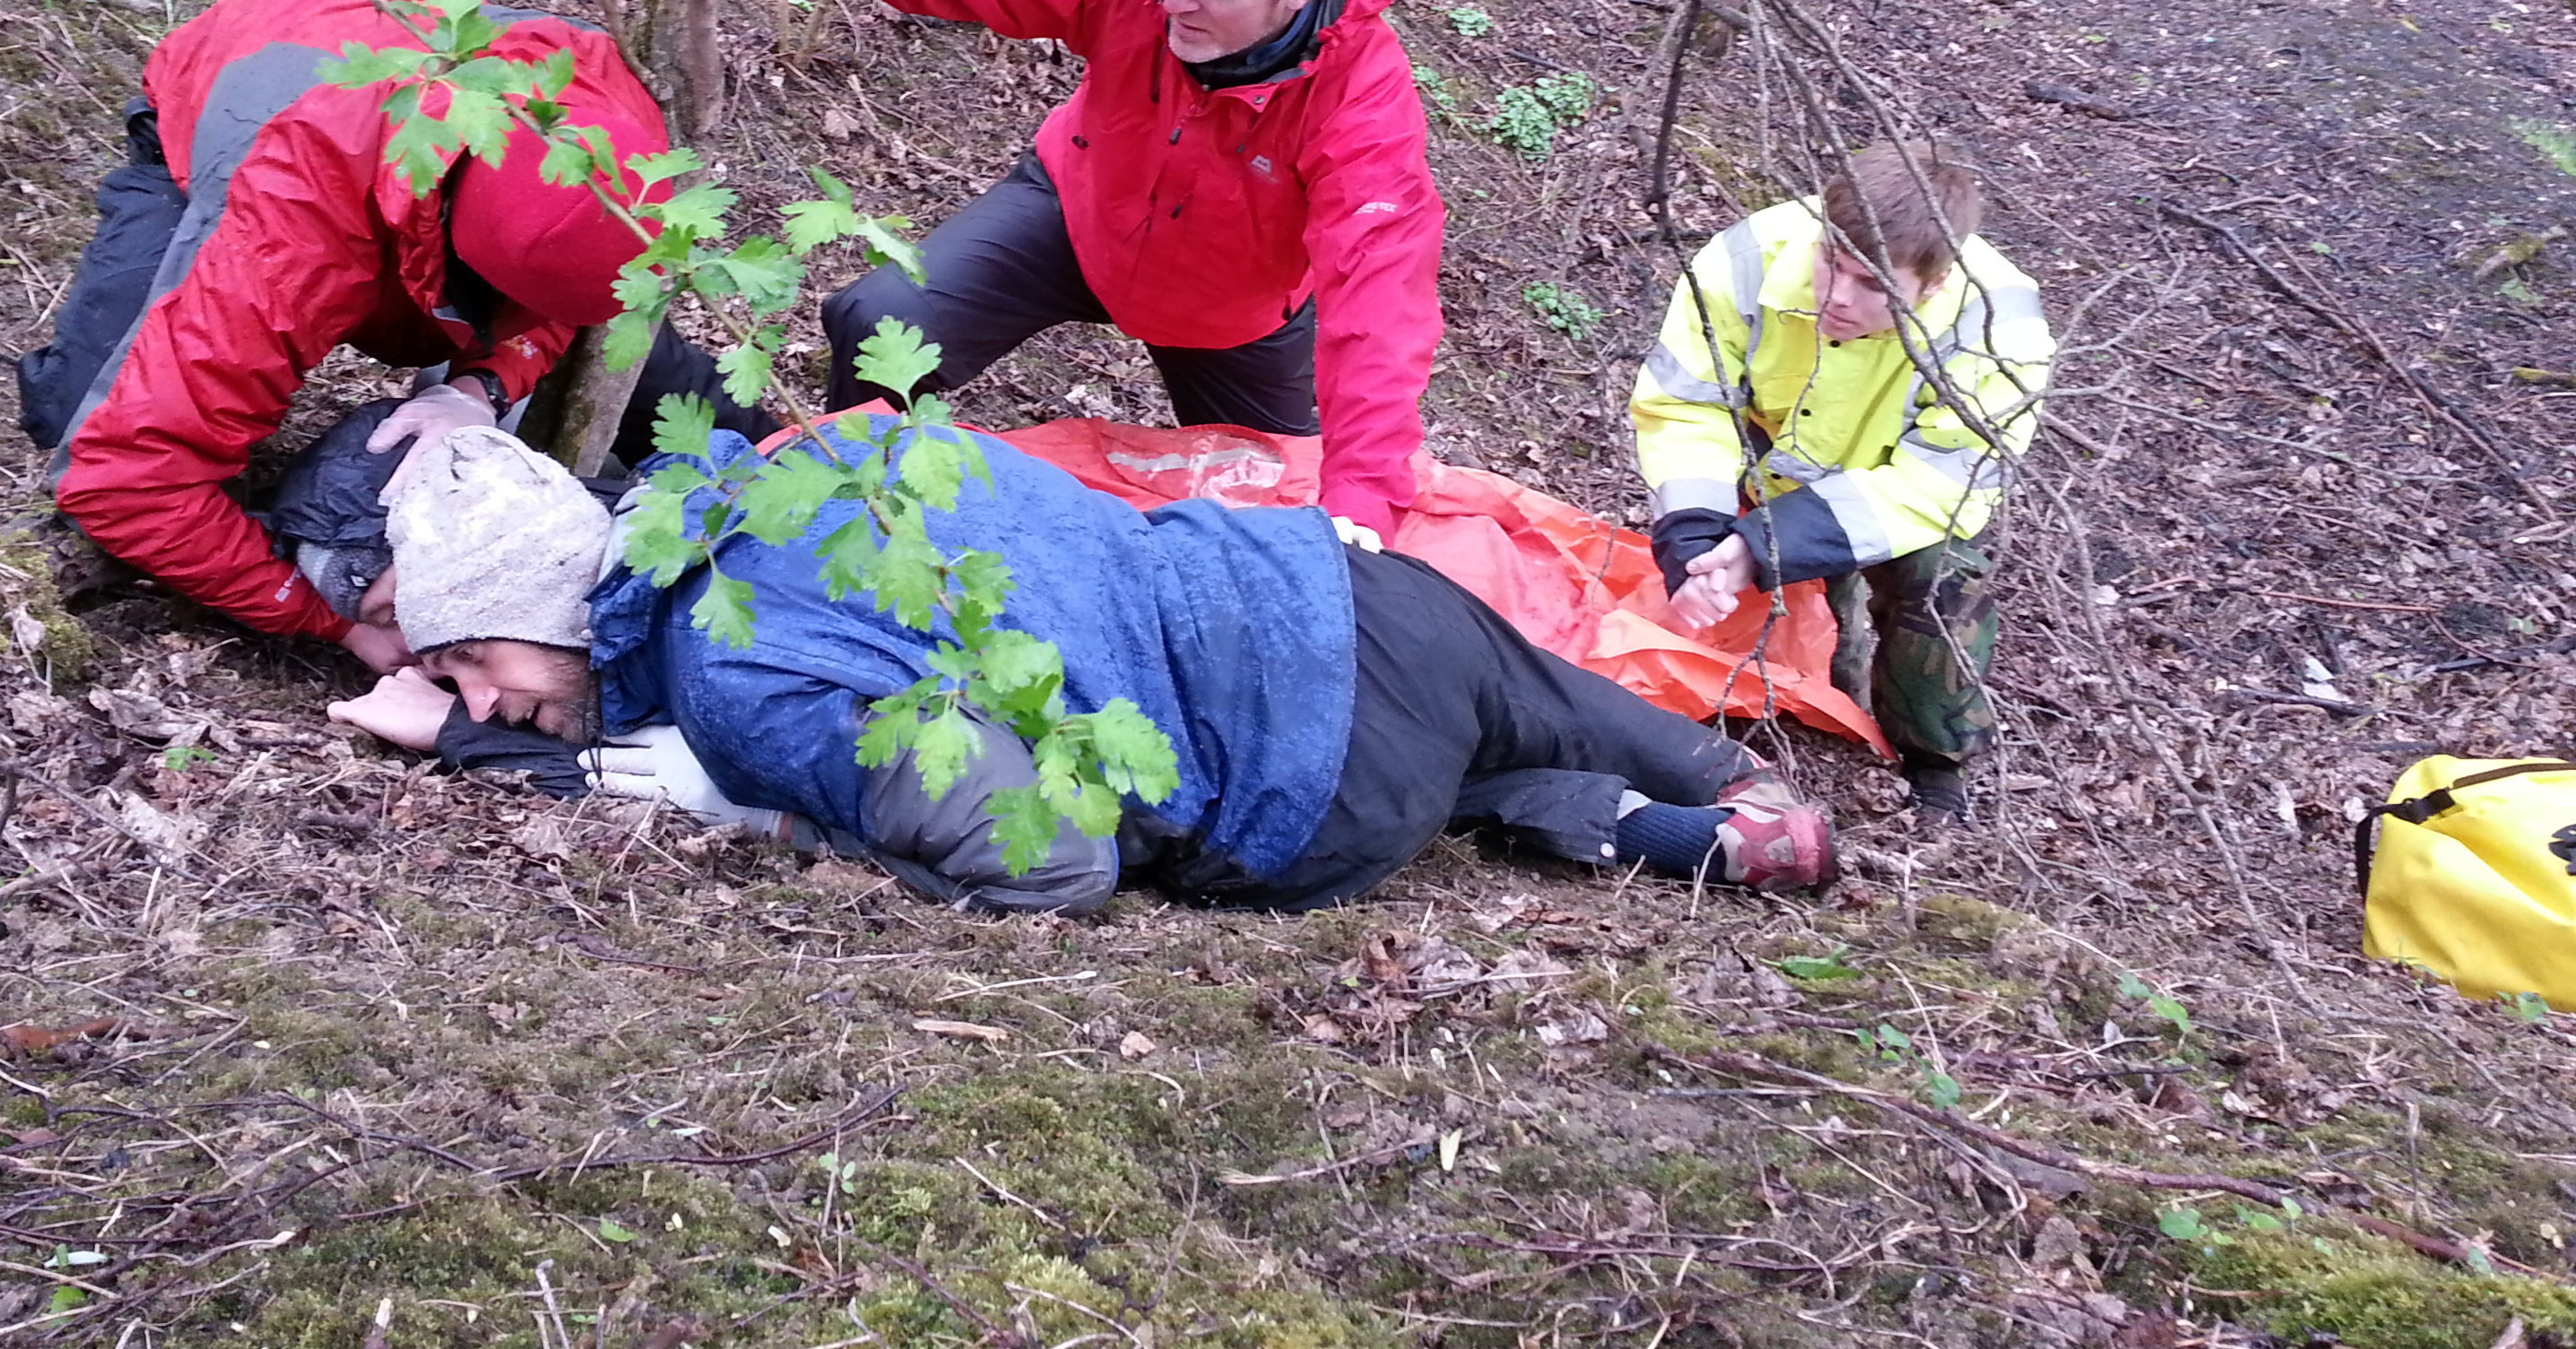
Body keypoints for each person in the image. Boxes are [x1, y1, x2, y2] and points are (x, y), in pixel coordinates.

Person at [326, 419, 1836, 911]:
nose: (470, 691)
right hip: (1348, 588)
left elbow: (1046, 849)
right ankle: (1698, 798)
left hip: (1314, 787)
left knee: (1398, 789)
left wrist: (510, 755)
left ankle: (1637, 820)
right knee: (1495, 724)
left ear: (543, 593)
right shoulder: (831, 453)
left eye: (466, 659)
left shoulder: (728, 675)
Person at [671, 0, 1444, 542]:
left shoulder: (1362, 100)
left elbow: (1379, 302)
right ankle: (856, 520)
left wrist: (1361, 507)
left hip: (1228, 306)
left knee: (1290, 497)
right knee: (882, 323)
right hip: (1078, 213)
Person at [20, 0, 771, 672]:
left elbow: (562, 306)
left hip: (410, 153)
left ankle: (785, 464)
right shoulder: (291, 234)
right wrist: (333, 623)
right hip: (237, 105)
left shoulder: (614, 127)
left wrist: (479, 387)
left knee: (628, 364)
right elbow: (126, 481)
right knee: (82, 414)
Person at [1630, 142, 2055, 820]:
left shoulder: (1999, 330)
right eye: (1830, 263)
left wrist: (1768, 544)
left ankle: (1934, 763)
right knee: (1822, 645)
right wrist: (1695, 537)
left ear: (1934, 286)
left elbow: (1942, 483)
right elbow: (1687, 403)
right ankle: (1835, 679)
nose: (1836, 297)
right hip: (1771, 453)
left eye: (1871, 285)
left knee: (1943, 580)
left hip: (1896, 485)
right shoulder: (1747, 259)